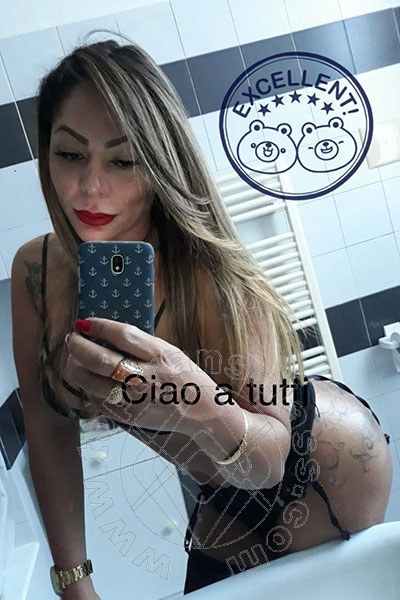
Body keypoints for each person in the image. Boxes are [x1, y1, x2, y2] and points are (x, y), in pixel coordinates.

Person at [11, 32, 392, 599]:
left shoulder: (214, 277)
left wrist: (193, 400)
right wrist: (74, 582)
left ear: (159, 164)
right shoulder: (36, 272)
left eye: (123, 160)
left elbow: (272, 460)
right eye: (69, 154)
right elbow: (47, 428)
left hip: (321, 465)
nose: (90, 187)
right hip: (220, 489)